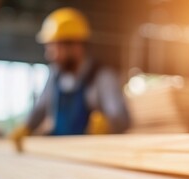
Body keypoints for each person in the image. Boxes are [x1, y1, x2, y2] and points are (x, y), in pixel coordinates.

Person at [11, 7, 130, 151]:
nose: (49, 56)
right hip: (61, 152)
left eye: (54, 48)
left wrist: (108, 126)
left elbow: (121, 118)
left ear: (75, 46)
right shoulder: (55, 75)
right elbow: (40, 109)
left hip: (90, 154)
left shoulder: (102, 77)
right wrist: (26, 127)